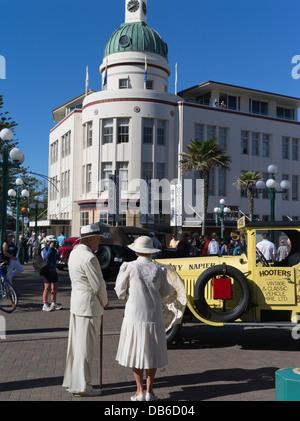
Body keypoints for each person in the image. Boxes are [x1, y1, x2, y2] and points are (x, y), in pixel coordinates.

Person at [115, 236, 170, 401]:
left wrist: (127, 297)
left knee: (135, 349)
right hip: (153, 314)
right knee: (152, 351)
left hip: (135, 313)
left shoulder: (129, 267)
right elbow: (165, 293)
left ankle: (139, 391)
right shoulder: (159, 270)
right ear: (150, 252)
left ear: (136, 251)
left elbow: (119, 291)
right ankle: (150, 391)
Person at [62, 223, 109, 397]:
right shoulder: (90, 258)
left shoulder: (75, 253)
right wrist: (105, 300)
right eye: (97, 238)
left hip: (77, 304)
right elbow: (98, 284)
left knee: (75, 347)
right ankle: (82, 385)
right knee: (85, 348)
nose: (99, 242)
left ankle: (73, 382)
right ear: (90, 239)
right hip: (88, 306)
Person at [42, 236, 61, 311]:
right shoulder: (45, 249)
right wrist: (50, 248)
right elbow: (46, 257)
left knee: (55, 287)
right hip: (47, 271)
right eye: (53, 242)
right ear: (49, 242)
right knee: (47, 288)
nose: (54, 244)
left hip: (54, 271)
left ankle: (53, 303)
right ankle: (45, 304)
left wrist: (57, 251)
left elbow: (58, 258)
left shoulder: (53, 250)